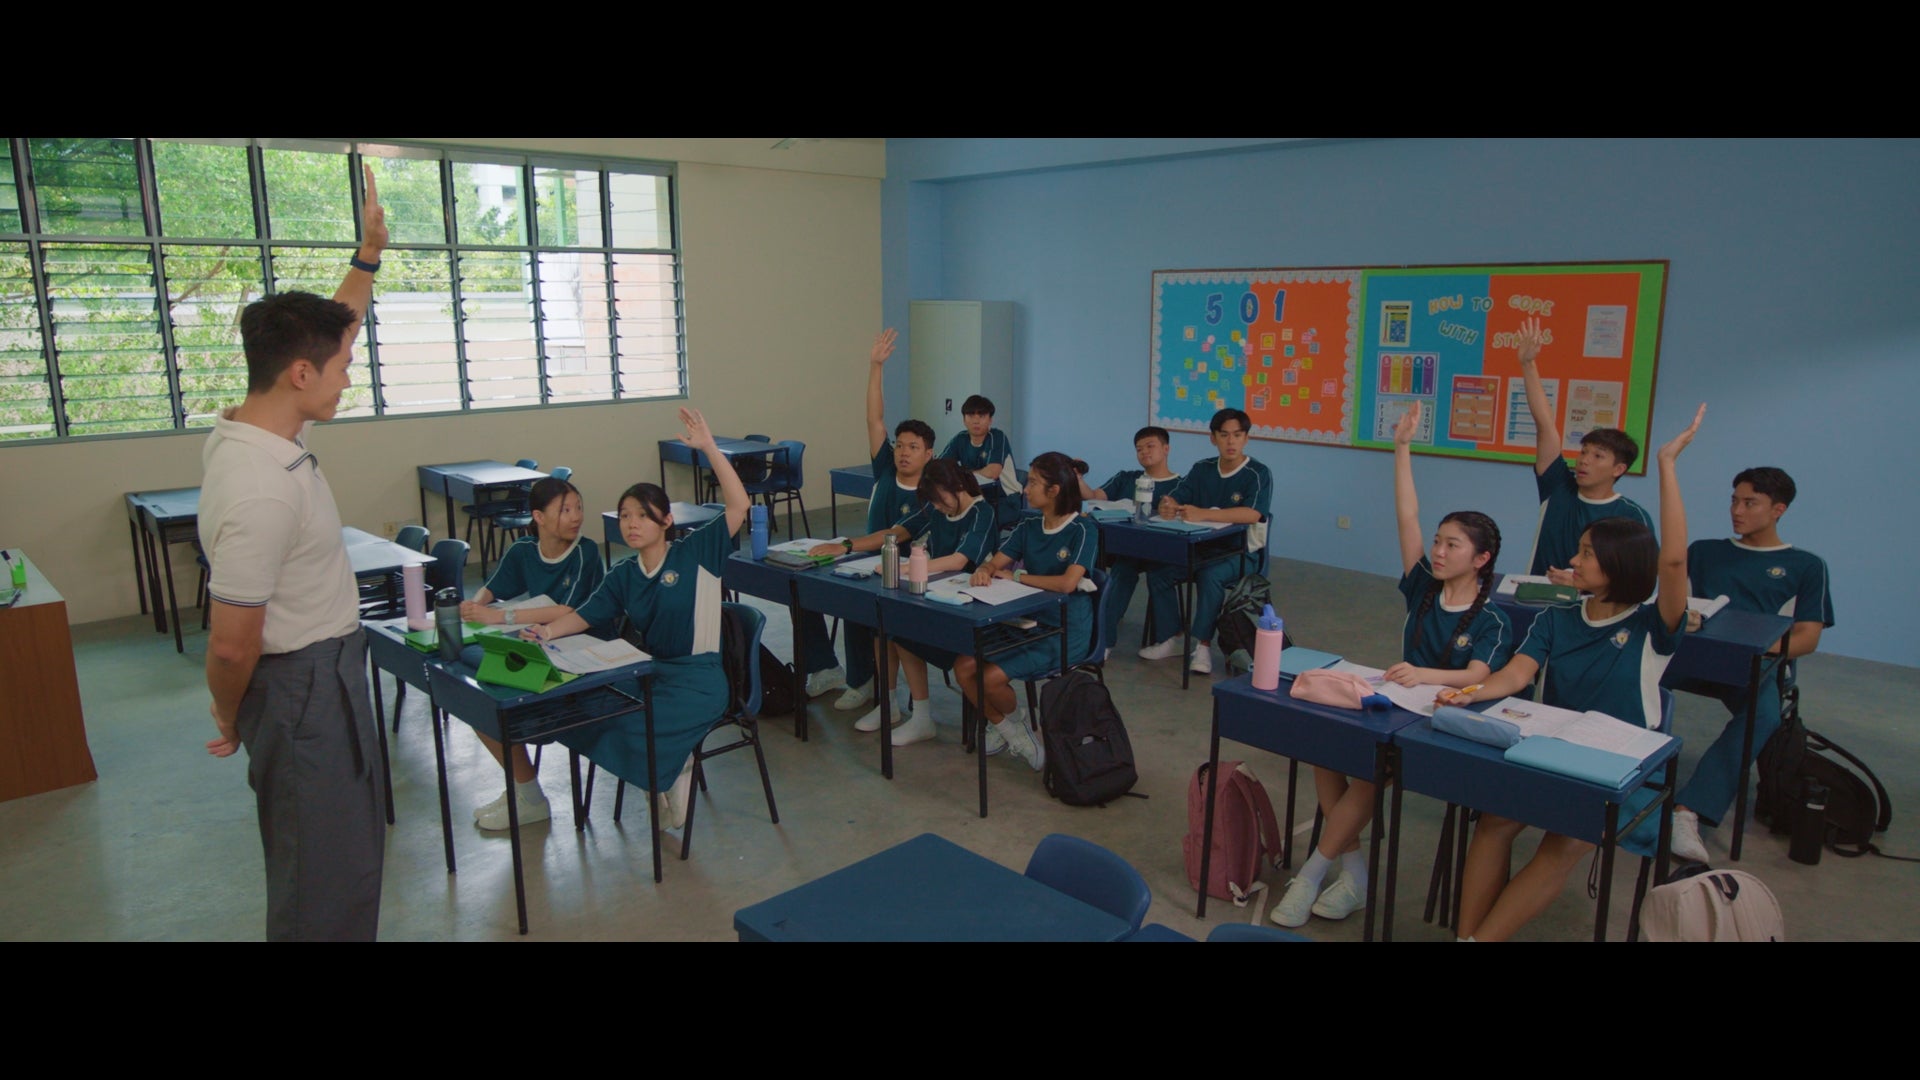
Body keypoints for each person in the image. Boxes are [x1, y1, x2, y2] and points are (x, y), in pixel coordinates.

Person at [200, 164, 388, 941]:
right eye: (342, 369)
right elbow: (230, 644)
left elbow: (337, 326)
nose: (350, 376)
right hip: (299, 689)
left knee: (347, 855)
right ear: (301, 373)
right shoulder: (260, 489)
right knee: (322, 875)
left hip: (323, 675)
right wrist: (229, 710)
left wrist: (368, 256)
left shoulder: (261, 425)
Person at [1440, 403, 1705, 942]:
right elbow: (1517, 674)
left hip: (1619, 763)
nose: (1574, 562)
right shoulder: (1558, 616)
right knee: (1493, 824)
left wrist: (1667, 465)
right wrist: (1473, 691)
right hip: (1552, 749)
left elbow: (1674, 563)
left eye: (1587, 555)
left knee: (1560, 844)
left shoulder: (1654, 626)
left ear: (1619, 566)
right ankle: (1467, 938)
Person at [1272, 403, 1513, 928]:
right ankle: (1355, 875)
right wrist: (1401, 447)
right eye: (1438, 541)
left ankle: (1311, 874)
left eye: (1453, 545)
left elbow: (1479, 676)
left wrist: (1425, 675)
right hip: (1394, 699)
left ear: (1481, 559)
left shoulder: (1492, 618)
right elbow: (1407, 517)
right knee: (1323, 750)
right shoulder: (1425, 587)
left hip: (1439, 716)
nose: (1439, 551)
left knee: (1368, 776)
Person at [521, 407, 749, 831]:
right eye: (625, 515)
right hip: (651, 673)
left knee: (635, 725)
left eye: (643, 515)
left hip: (700, 680)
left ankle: (672, 769)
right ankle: (662, 771)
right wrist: (546, 631)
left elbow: (739, 505)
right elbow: (585, 615)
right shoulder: (625, 573)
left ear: (666, 520)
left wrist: (708, 447)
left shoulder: (696, 553)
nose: (632, 523)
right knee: (589, 714)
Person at [1666, 466, 1835, 862]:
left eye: (1749, 503)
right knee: (1630, 676)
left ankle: (1687, 811)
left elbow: (1807, 638)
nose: (1737, 511)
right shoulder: (1704, 552)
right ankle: (1621, 781)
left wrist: (1751, 649)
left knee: (1765, 716)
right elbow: (1669, 608)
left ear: (1778, 510)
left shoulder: (1806, 566)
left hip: (1751, 666)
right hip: (1692, 657)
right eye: (1734, 501)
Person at [808, 460, 997, 746]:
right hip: (935, 597)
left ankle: (921, 717)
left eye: (940, 500)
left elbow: (959, 561)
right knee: (886, 628)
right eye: (933, 502)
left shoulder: (982, 512)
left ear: (957, 486)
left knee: (904, 633)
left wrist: (909, 568)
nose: (937, 507)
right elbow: (898, 533)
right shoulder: (939, 510)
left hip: (968, 608)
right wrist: (847, 546)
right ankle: (888, 704)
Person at [456, 476, 604, 830]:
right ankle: (526, 792)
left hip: (583, 657)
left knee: (497, 702)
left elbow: (568, 611)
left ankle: (529, 797)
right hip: (544, 647)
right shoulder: (524, 550)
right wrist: (474, 606)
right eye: (565, 510)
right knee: (477, 699)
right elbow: (493, 588)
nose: (576, 516)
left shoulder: (585, 552)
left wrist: (500, 617)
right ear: (538, 517)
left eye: (578, 507)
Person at [802, 328, 937, 711]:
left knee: (855, 599)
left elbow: (892, 535)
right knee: (804, 586)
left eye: (913, 447)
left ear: (929, 454)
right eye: (900, 445)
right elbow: (874, 418)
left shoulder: (931, 494)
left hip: (901, 570)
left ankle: (862, 682)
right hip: (863, 556)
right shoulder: (885, 470)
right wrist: (875, 366)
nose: (904, 452)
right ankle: (825, 667)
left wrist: (844, 546)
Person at [953, 452, 1100, 772]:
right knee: (963, 666)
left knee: (989, 678)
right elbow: (996, 563)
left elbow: (1067, 584)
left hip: (1064, 629)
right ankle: (1013, 729)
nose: (1025, 488)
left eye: (1032, 482)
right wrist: (985, 570)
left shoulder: (1083, 529)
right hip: (1024, 621)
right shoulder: (1029, 525)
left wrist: (1018, 576)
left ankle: (1010, 729)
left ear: (1054, 490)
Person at [1515, 316, 1652, 584]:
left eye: (1598, 456)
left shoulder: (1632, 517)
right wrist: (1528, 364)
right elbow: (1545, 425)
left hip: (1593, 603)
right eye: (1583, 452)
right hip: (1538, 597)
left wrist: (1583, 584)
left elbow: (1638, 580)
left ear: (1618, 469)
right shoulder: (1558, 487)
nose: (1584, 461)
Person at [1139, 407, 1273, 675]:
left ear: (1246, 438)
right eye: (1224, 435)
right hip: (1201, 548)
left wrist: (1203, 514)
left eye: (1237, 435)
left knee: (1209, 576)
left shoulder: (1258, 473)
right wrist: (1168, 504)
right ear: (1213, 438)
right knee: (1159, 572)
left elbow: (1253, 513)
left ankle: (1202, 645)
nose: (1231, 441)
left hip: (1241, 553)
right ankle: (1173, 637)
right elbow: (1176, 495)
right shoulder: (1203, 468)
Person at [1078, 425, 1183, 655]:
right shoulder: (1127, 478)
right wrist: (1078, 478)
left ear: (1166, 449)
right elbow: (1094, 496)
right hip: (1129, 549)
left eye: (1150, 446)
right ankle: (1103, 641)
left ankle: (1168, 639)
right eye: (1139, 449)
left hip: (1164, 551)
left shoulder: (1181, 485)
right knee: (1122, 570)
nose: (1144, 452)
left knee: (1159, 571)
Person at [940, 394, 1018, 498]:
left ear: (990, 420)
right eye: (971, 416)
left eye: (981, 416)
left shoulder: (997, 437)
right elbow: (940, 466)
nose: (976, 421)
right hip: (974, 495)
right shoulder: (960, 438)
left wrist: (963, 474)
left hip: (1004, 497)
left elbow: (992, 472)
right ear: (964, 420)